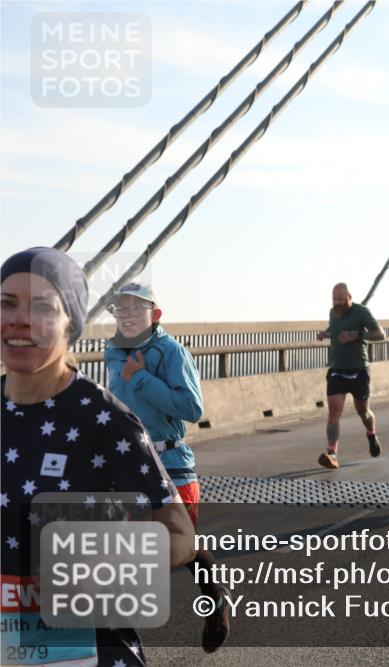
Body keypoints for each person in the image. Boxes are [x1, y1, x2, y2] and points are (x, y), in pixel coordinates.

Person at [1, 247, 195, 666]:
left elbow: (181, 538)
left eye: (43, 307)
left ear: (71, 325)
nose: (20, 318)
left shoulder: (104, 420)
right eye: (7, 303)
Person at [104, 282, 230, 652]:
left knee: (175, 548)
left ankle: (216, 597)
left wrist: (141, 378)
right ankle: (117, 650)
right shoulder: (113, 352)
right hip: (124, 465)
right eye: (120, 309)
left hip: (170, 463)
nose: (126, 315)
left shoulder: (173, 353)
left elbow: (191, 409)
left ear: (156, 315)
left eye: (135, 308)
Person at [316, 283, 386, 470]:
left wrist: (358, 335)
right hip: (338, 370)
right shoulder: (333, 313)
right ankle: (332, 453)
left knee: (363, 412)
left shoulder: (361, 312)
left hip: (358, 371)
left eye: (340, 299)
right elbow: (336, 329)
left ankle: (371, 434)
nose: (336, 303)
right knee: (334, 412)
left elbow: (381, 334)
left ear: (349, 296)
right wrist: (326, 333)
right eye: (334, 299)